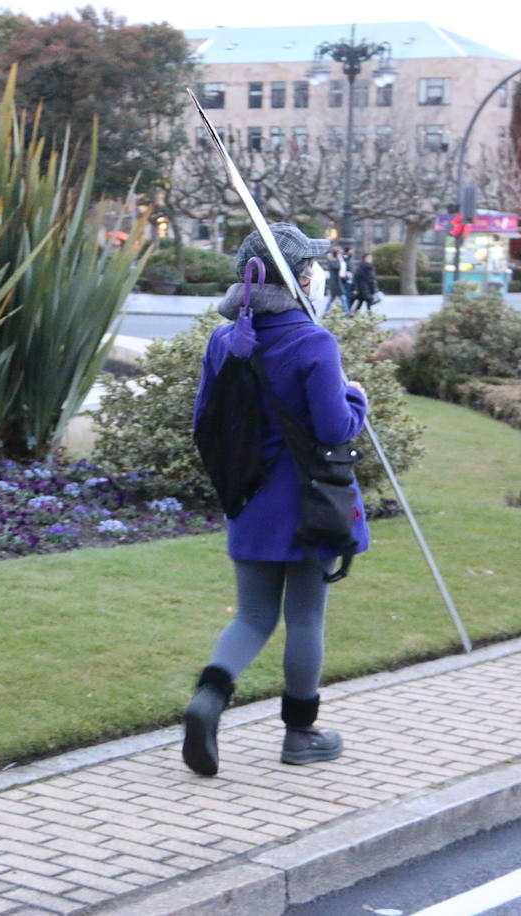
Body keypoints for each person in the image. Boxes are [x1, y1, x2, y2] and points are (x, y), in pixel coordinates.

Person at [184, 223, 369, 776]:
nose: (316, 274)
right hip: (309, 504)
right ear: (298, 278)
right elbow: (335, 429)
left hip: (248, 499)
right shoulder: (313, 341)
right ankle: (300, 735)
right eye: (310, 267)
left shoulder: (223, 340)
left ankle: (207, 700)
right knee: (305, 619)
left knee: (253, 615)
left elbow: (203, 423)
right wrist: (356, 399)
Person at [323, 247, 347, 312]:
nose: (340, 255)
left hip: (337, 282)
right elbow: (337, 267)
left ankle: (325, 312)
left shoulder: (336, 260)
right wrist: (339, 260)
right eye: (339, 253)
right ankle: (347, 313)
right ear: (336, 254)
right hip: (334, 283)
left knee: (333, 299)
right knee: (342, 298)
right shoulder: (333, 261)